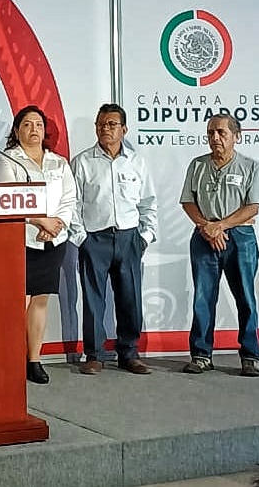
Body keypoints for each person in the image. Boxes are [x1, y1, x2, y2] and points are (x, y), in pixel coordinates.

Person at [179, 114, 259, 377]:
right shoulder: (197, 165)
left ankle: (250, 355)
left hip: (239, 238)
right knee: (203, 298)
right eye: (210, 133)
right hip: (204, 236)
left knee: (245, 298)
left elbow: (253, 207)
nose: (215, 138)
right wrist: (207, 226)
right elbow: (188, 201)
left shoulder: (250, 166)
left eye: (221, 133)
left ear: (236, 136)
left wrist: (221, 225)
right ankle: (201, 354)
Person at [70, 103, 157, 375]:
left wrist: (145, 236)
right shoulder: (83, 161)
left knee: (130, 298)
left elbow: (148, 203)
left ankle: (129, 353)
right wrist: (81, 238)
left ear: (123, 129)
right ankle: (94, 354)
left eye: (111, 124)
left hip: (130, 238)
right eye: (100, 124)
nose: (105, 129)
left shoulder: (136, 162)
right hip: (95, 239)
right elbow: (73, 204)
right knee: (94, 300)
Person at [0, 105, 76, 384]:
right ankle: (9, 358)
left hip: (54, 241)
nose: (33, 130)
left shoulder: (58, 163)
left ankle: (34, 360)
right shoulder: (8, 160)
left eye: (38, 125)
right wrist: (40, 221)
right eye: (27, 125)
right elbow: (3, 200)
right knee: (18, 302)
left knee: (40, 300)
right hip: (20, 240)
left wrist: (56, 224)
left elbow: (68, 200)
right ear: (17, 130)